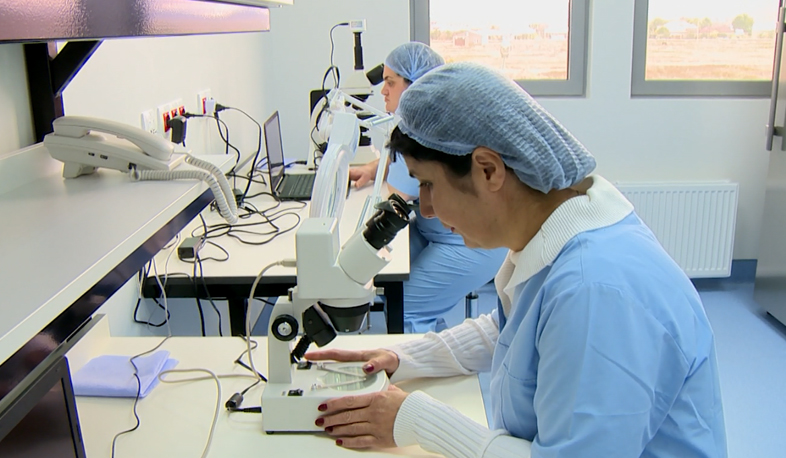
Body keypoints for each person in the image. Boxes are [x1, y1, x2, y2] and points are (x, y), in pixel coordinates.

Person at [307, 62, 728, 457]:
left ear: (488, 169)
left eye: (429, 184)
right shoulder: (559, 232)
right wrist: (405, 356)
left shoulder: (596, 293)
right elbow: (516, 329)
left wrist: (417, 419)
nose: (428, 209)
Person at [350, 42, 507, 333]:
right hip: (439, 232)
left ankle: (418, 361)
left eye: (390, 82)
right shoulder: (424, 120)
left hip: (470, 244)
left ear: (414, 85)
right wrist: (373, 169)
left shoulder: (425, 129)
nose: (383, 91)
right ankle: (431, 333)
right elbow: (402, 164)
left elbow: (397, 197)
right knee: (400, 283)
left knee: (406, 305)